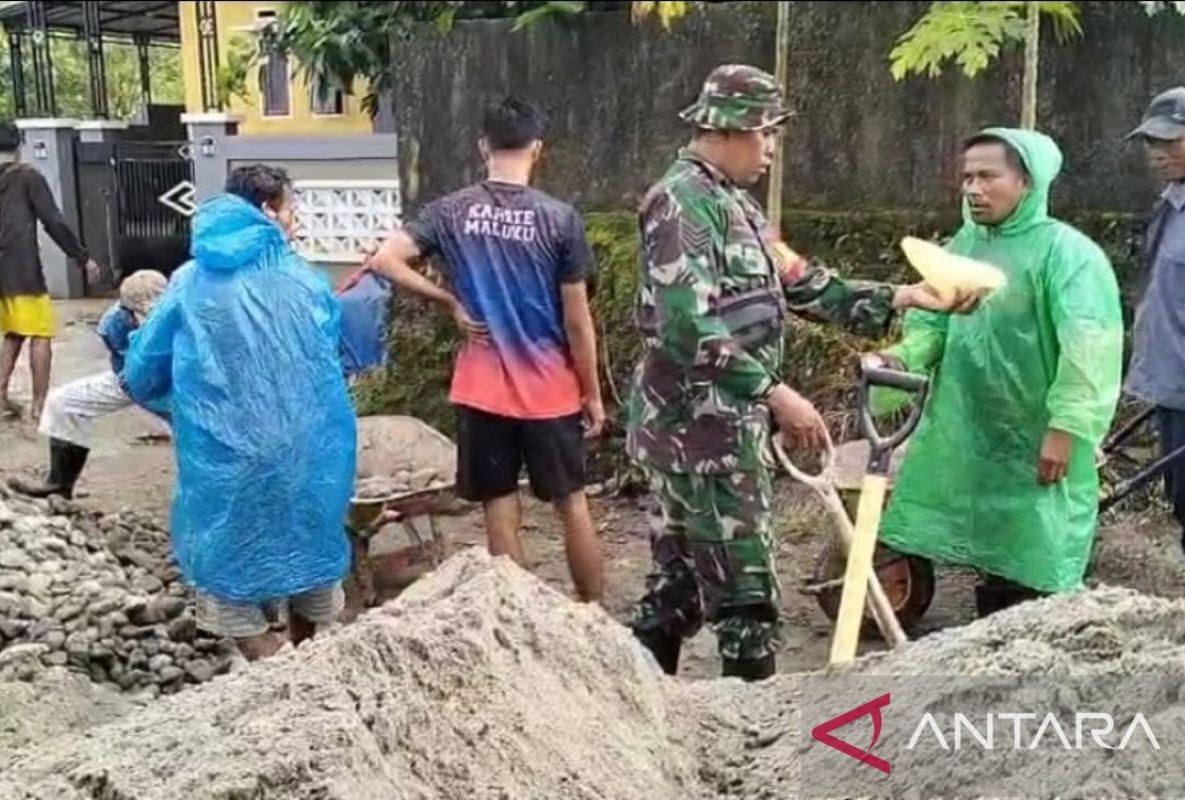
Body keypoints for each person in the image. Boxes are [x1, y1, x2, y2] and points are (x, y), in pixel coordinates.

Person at [626, 64, 978, 681]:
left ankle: (635, 708)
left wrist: (906, 296)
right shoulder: (681, 204)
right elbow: (683, 327)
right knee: (745, 596)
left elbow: (804, 283)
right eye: (765, 135)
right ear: (733, 129)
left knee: (680, 582)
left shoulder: (736, 206)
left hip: (724, 427)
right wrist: (773, 392)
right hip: (698, 433)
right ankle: (749, 736)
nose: (770, 149)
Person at [873, 128, 1124, 617]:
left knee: (1038, 550)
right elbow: (932, 324)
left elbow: (1088, 347)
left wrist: (1066, 427)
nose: (972, 188)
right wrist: (898, 360)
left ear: (1027, 182)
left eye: (988, 176)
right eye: (967, 176)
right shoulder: (964, 245)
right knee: (990, 547)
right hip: (973, 430)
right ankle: (992, 631)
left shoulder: (1067, 255)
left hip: (1037, 432)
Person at [368, 96, 605, 603]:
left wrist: (448, 299)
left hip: (482, 390)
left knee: (500, 507)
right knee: (572, 503)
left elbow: (384, 260)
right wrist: (592, 393)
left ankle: (517, 619)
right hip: (551, 389)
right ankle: (594, 617)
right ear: (537, 148)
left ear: (483, 147)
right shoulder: (561, 219)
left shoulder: (449, 212)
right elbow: (577, 320)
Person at [123, 165, 356, 661]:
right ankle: (302, 665)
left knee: (231, 580)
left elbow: (141, 373)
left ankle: (273, 672)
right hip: (312, 455)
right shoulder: (308, 281)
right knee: (310, 561)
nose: (295, 222)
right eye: (291, 210)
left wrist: (189, 409)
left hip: (226, 464)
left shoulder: (188, 283)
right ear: (269, 211)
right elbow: (331, 360)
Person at [8, 270, 170, 500]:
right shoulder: (112, 324)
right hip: (130, 377)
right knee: (63, 403)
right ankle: (59, 484)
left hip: (177, 384)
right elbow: (123, 370)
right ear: (126, 309)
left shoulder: (183, 317)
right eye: (141, 315)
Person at [0, 121, 101, 422]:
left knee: (12, 331)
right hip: (21, 266)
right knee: (41, 333)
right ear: (19, 144)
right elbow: (53, 220)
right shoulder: (28, 177)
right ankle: (39, 406)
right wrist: (81, 257)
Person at [1123, 87, 1185, 550]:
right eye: (1151, 142)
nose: (1157, 153)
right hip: (1173, 386)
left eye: (1170, 140)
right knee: (1181, 502)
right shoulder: (1172, 202)